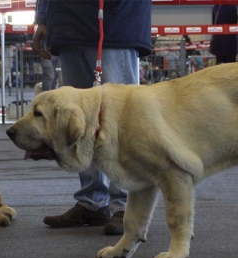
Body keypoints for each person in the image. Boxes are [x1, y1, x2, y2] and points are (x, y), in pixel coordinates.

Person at [33, 0, 151, 235]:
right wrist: (44, 17)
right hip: (68, 24)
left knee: (121, 117)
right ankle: (92, 201)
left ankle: (127, 206)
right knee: (78, 119)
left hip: (115, 21)